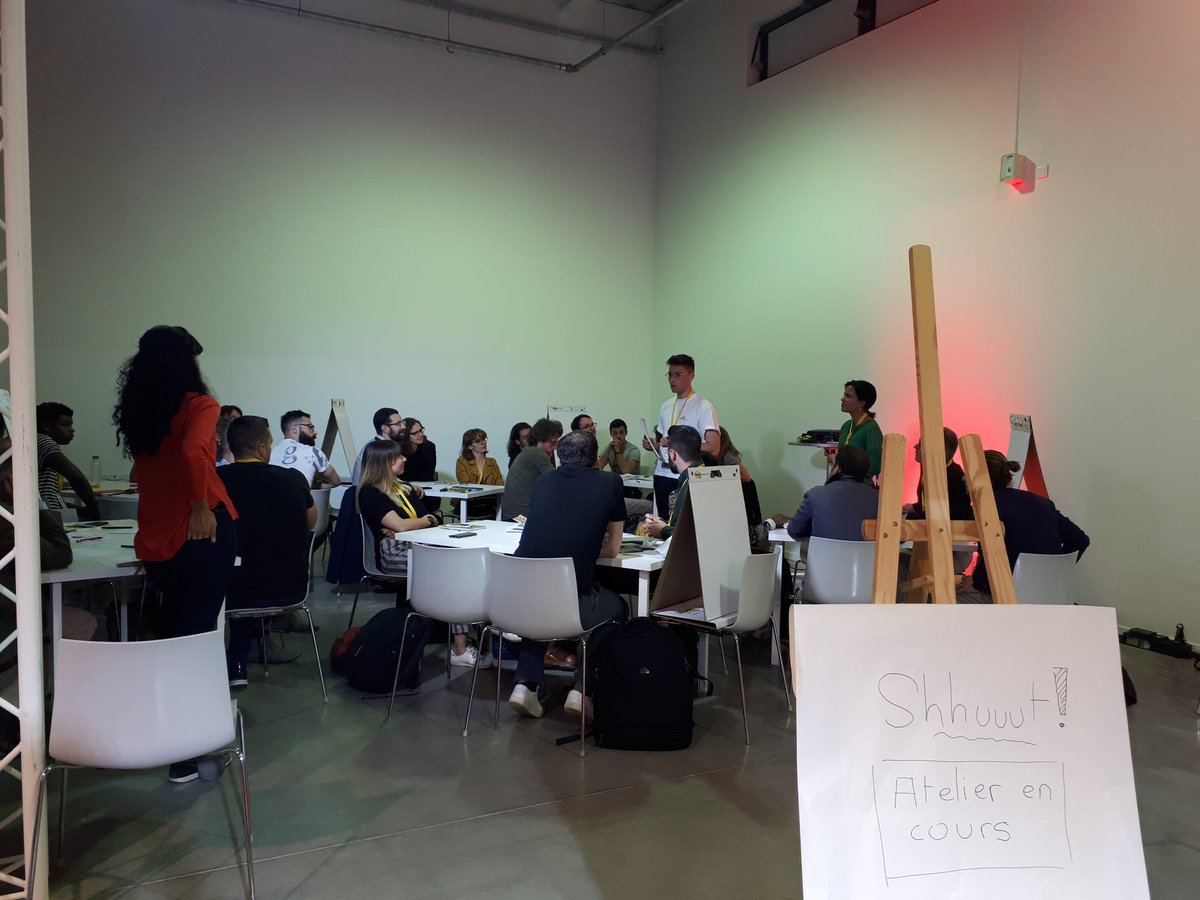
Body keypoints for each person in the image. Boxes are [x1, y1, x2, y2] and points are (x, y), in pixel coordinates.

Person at [113, 325, 237, 784]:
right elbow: (192, 452)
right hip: (201, 530)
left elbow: (147, 470)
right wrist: (200, 507)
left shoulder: (142, 411)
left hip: (157, 535)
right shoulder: (200, 405)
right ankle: (187, 751)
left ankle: (169, 732)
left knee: (175, 633)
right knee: (197, 640)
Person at [508, 429, 629, 720]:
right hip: (569, 598)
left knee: (541, 602)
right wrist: (587, 542)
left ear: (559, 457)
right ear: (595, 459)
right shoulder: (611, 482)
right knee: (618, 609)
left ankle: (525, 685)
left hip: (518, 597)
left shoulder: (544, 481)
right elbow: (613, 549)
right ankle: (583, 689)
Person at [356, 441, 487, 667]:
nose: (405, 459)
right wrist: (418, 522)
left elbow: (432, 519)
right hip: (393, 553)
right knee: (454, 570)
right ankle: (460, 648)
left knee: (464, 563)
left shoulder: (402, 489)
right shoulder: (370, 493)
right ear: (385, 462)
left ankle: (472, 634)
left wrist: (415, 523)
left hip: (417, 545)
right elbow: (407, 524)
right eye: (399, 456)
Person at [218, 416, 315, 689]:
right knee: (257, 565)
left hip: (233, 588)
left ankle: (234, 659)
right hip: (290, 585)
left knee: (240, 567)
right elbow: (310, 523)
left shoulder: (216, 481)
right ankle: (247, 651)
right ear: (262, 448)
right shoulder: (292, 478)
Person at [958, 451, 1090, 603]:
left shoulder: (984, 507)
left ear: (974, 477)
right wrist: (1056, 569)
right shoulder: (1042, 502)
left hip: (1005, 598)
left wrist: (977, 582)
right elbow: (1080, 540)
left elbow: (988, 558)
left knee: (941, 602)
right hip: (1051, 596)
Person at [644, 354, 719, 517]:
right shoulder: (665, 406)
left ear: (691, 375)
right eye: (669, 375)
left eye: (678, 375)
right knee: (662, 522)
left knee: (682, 523)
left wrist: (678, 444)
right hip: (662, 473)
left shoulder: (704, 406)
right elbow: (663, 443)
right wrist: (653, 446)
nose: (672, 380)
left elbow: (713, 447)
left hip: (686, 475)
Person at [905, 427, 972, 573]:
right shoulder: (931, 468)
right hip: (935, 539)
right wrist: (913, 507)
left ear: (934, 450)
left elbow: (943, 516)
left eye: (920, 444)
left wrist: (909, 518)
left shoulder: (952, 477)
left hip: (951, 549)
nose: (915, 447)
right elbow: (929, 506)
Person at [786, 446, 879, 541]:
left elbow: (794, 531)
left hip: (823, 551)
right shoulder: (879, 499)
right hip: (865, 551)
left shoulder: (815, 495)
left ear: (837, 468)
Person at [35, 402, 101, 520]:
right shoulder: (44, 441)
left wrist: (83, 510)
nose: (72, 430)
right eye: (66, 425)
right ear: (47, 427)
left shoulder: (35, 440)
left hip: (48, 513)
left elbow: (51, 499)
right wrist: (94, 509)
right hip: (50, 519)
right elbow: (76, 477)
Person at [500, 418, 561, 521]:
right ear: (541, 439)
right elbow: (557, 481)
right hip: (520, 517)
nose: (555, 447)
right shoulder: (537, 453)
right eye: (553, 442)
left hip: (514, 514)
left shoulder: (528, 451)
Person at [271, 409, 341, 487]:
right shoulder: (313, 452)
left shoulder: (269, 454)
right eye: (310, 427)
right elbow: (335, 481)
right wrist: (313, 485)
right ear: (294, 429)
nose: (315, 432)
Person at [837, 380, 882, 478]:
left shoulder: (871, 428)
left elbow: (875, 466)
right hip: (843, 480)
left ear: (861, 403)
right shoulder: (846, 425)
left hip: (860, 483)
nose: (842, 399)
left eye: (848, 396)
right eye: (844, 395)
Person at [455, 428, 503, 519]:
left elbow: (500, 484)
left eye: (484, 439)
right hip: (470, 501)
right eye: (478, 441)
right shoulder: (462, 462)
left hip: (489, 501)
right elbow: (466, 485)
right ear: (469, 446)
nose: (483, 443)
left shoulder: (492, 462)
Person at [350, 407, 406, 484]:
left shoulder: (382, 446)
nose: (404, 427)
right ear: (385, 428)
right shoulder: (377, 450)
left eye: (403, 423)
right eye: (398, 424)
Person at [401, 417, 438, 482]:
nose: (421, 434)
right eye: (415, 433)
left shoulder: (429, 447)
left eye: (421, 430)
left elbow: (428, 474)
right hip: (405, 484)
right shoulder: (398, 449)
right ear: (406, 435)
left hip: (426, 483)